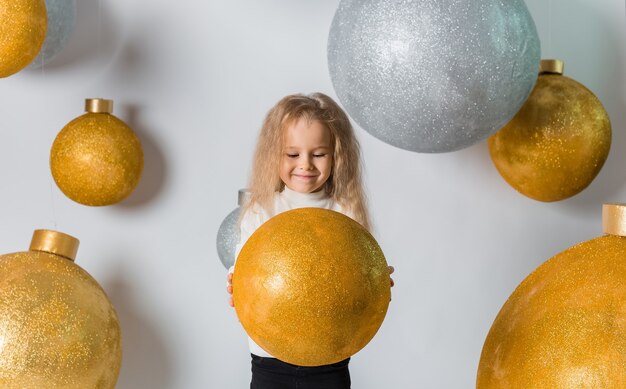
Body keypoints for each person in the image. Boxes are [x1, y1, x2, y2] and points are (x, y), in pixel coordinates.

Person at [226, 92, 394, 389]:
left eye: (318, 154)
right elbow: (244, 268)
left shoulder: (345, 211)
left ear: (336, 155)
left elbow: (356, 275)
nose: (305, 164)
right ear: (273, 154)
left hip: (329, 361)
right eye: (292, 154)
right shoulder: (261, 210)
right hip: (269, 358)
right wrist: (235, 282)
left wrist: (375, 279)